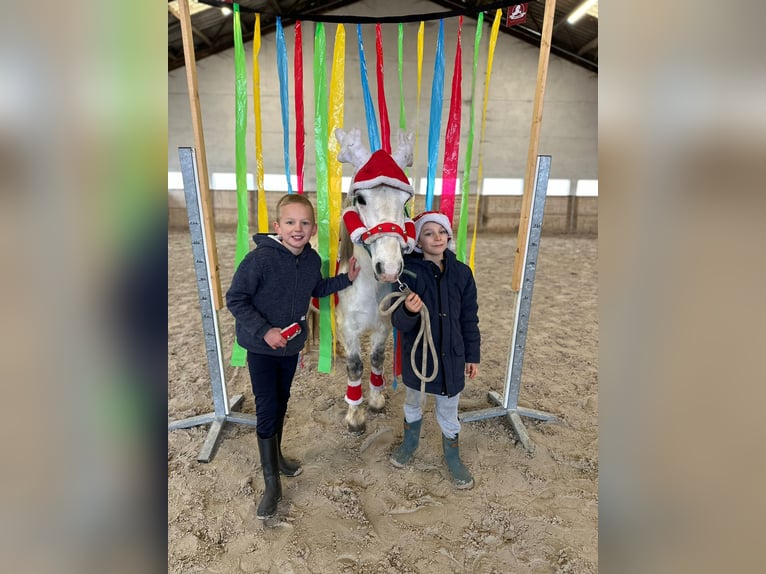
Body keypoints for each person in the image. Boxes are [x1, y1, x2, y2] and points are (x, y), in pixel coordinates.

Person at [226, 193, 360, 519]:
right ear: (277, 226)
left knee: (282, 401)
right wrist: (264, 331)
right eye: (290, 222)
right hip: (261, 347)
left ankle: (279, 457)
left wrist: (347, 279)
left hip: (290, 347)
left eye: (303, 223)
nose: (297, 228)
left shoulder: (312, 260)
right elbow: (236, 299)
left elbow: (317, 289)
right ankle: (272, 484)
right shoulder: (259, 260)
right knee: (268, 407)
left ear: (313, 228)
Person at [389, 211, 481, 489]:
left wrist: (472, 355)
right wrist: (408, 309)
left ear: (449, 236)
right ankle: (410, 442)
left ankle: (452, 456)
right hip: (419, 356)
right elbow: (398, 321)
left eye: (441, 232)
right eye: (428, 233)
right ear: (418, 240)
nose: (436, 237)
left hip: (452, 355)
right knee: (414, 400)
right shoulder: (407, 273)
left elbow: (469, 317)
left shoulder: (463, 273)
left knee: (449, 407)